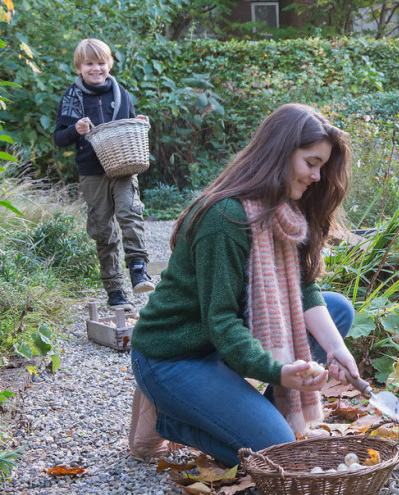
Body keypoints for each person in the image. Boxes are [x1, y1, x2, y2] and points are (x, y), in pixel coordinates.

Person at [129, 103, 362, 467]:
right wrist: (279, 372)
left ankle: (247, 413)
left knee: (337, 311)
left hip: (219, 347)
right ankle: (168, 418)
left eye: (322, 166)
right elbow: (220, 322)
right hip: (175, 355)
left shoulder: (284, 212)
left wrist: (336, 349)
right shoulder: (225, 219)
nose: (317, 176)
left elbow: (304, 289)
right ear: (282, 153)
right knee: (276, 455)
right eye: (311, 163)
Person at [53, 38, 154, 308]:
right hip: (92, 173)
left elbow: (128, 124)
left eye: (101, 63)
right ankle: (115, 290)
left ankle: (138, 268)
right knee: (103, 230)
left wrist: (140, 121)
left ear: (109, 64)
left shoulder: (121, 94)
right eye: (89, 64)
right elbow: (59, 139)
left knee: (130, 212)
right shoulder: (71, 98)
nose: (96, 68)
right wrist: (76, 129)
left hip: (123, 166)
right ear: (79, 68)